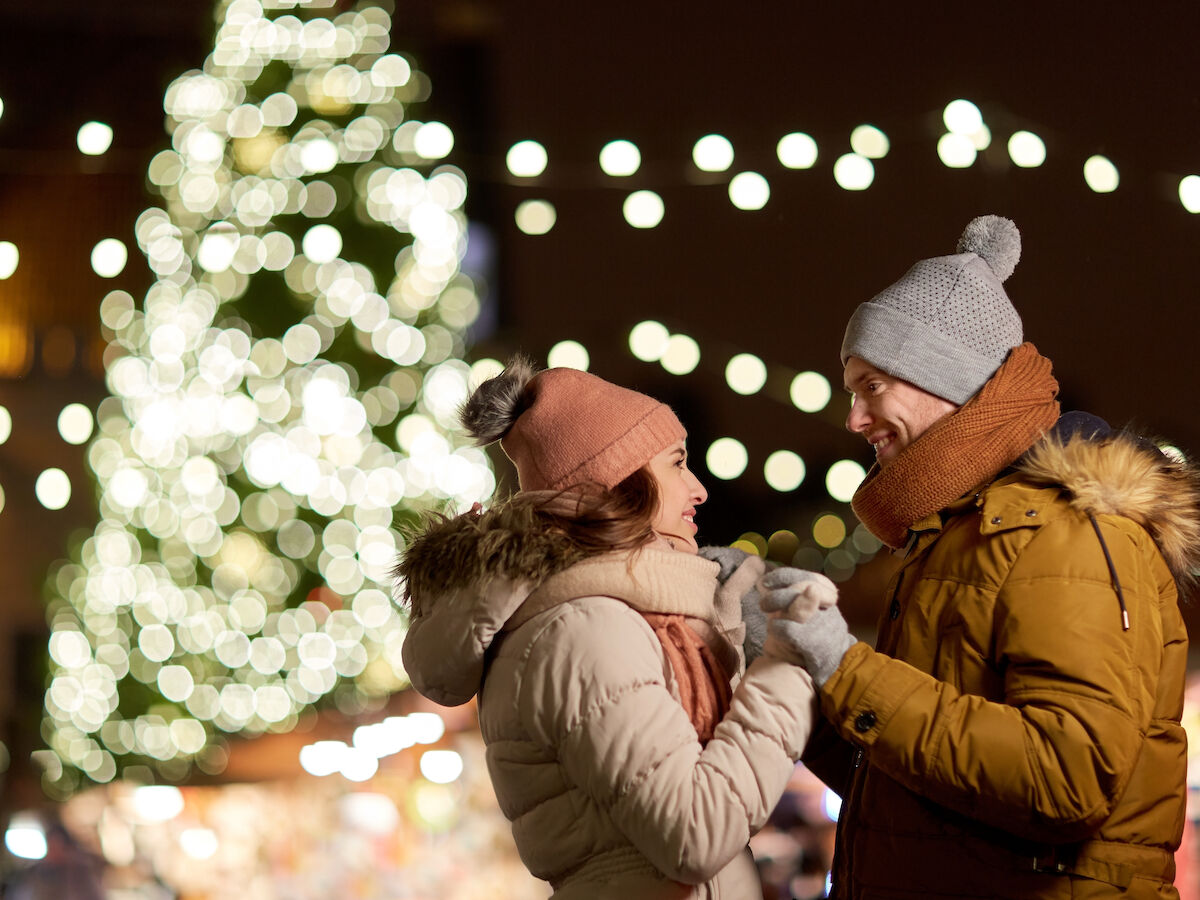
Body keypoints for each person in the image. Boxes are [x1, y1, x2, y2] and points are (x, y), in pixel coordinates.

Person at [773, 215, 1199, 898]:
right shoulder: (958, 535)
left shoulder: (1069, 534)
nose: (854, 419)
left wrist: (847, 668)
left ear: (944, 379)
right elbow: (911, 789)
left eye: (870, 386)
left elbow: (1067, 779)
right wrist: (793, 669)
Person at [396, 358, 835, 899]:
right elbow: (694, 836)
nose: (698, 489)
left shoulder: (614, 616)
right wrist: (788, 665)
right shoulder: (584, 629)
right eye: (677, 464)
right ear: (619, 483)